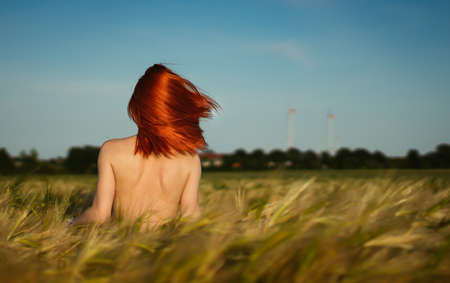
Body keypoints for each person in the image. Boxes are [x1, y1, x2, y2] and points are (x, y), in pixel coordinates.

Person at [68, 63, 220, 230]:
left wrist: (70, 223)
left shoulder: (111, 150)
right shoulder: (189, 159)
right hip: (164, 249)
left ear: (138, 107)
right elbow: (190, 216)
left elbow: (100, 215)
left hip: (123, 248)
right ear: (173, 107)